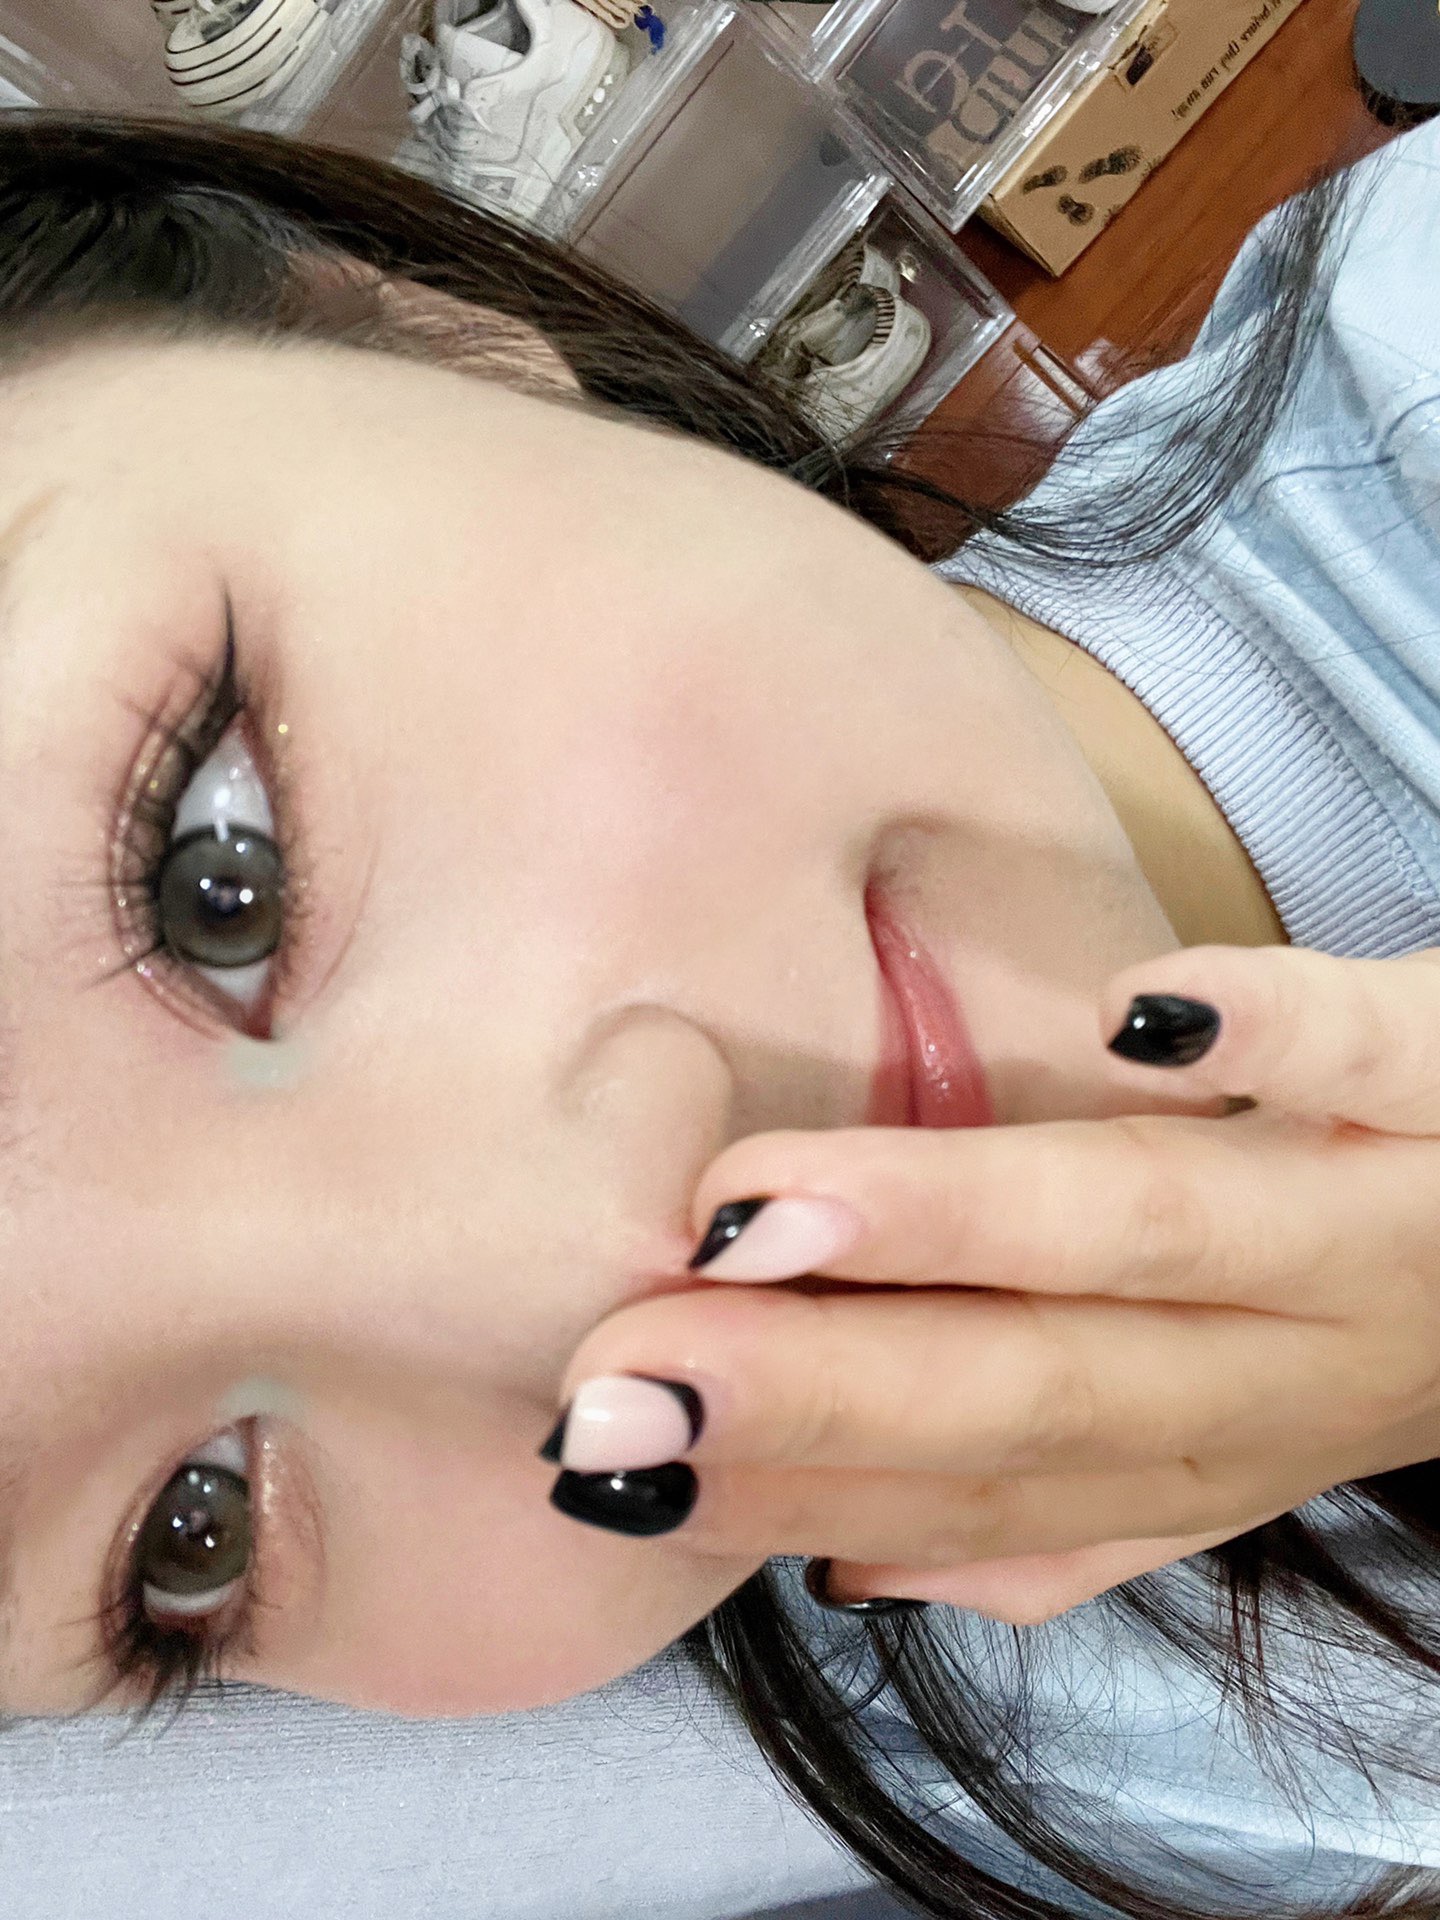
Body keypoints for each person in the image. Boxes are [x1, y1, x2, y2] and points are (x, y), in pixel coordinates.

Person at [0, 102, 1438, 1920]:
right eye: (188, 1535)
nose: (587, 1270)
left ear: (413, 327)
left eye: (221, 877)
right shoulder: (1022, 1707)